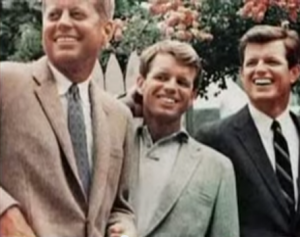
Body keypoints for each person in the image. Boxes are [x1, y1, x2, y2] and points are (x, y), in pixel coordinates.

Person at [0, 0, 137, 237]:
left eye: (76, 14)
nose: (63, 23)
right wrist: (4, 213)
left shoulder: (119, 116)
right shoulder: (5, 83)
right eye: (53, 15)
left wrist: (124, 226)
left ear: (107, 31)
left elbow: (119, 207)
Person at [126, 40, 239, 237]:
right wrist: (127, 103)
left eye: (182, 82)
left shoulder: (218, 168)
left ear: (193, 95)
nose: (171, 87)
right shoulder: (114, 145)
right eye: (161, 77)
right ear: (141, 84)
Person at [195, 25, 300, 237]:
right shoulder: (213, 140)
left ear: (294, 72)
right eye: (251, 63)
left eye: (271, 61)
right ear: (242, 75)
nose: (260, 69)